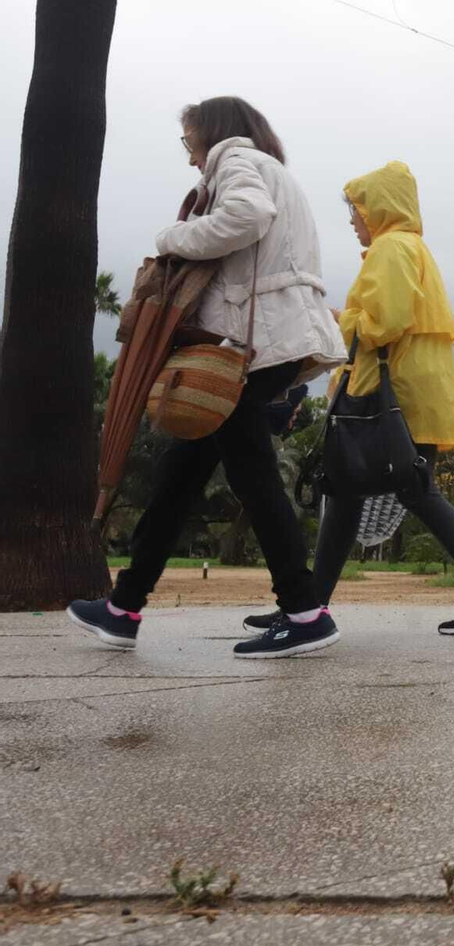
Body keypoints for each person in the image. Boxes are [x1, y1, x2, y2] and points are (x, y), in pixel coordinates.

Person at [69, 97, 347, 659]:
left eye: (188, 140)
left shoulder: (235, 159)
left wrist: (172, 237)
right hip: (272, 340)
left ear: (211, 132)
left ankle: (305, 612)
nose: (190, 156)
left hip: (255, 346)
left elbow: (245, 218)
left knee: (251, 474)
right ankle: (124, 607)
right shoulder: (275, 171)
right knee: (181, 473)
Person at [243, 161, 454, 636]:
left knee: (411, 491)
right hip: (412, 395)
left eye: (357, 208)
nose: (353, 219)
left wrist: (335, 319)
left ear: (379, 209)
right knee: (349, 495)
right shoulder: (411, 248)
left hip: (392, 401)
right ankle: (309, 606)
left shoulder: (391, 248)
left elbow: (382, 323)